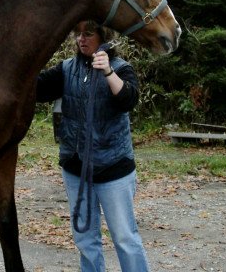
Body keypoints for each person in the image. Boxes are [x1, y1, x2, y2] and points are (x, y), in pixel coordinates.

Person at [36, 20, 149, 272]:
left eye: (88, 34)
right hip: (76, 169)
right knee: (86, 240)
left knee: (125, 239)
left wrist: (108, 72)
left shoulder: (121, 68)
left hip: (113, 170)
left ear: (103, 36)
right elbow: (36, 88)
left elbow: (128, 100)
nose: (81, 39)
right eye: (78, 34)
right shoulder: (67, 69)